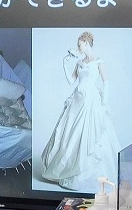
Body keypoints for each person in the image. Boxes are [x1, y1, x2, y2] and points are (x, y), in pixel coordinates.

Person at [40, 31, 121, 192]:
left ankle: (85, 171)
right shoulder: (80, 63)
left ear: (86, 43)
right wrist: (65, 63)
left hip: (91, 100)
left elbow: (106, 82)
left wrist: (104, 102)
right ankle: (67, 166)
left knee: (89, 133)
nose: (78, 47)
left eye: (80, 44)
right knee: (69, 133)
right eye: (78, 44)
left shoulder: (99, 61)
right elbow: (71, 81)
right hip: (77, 99)